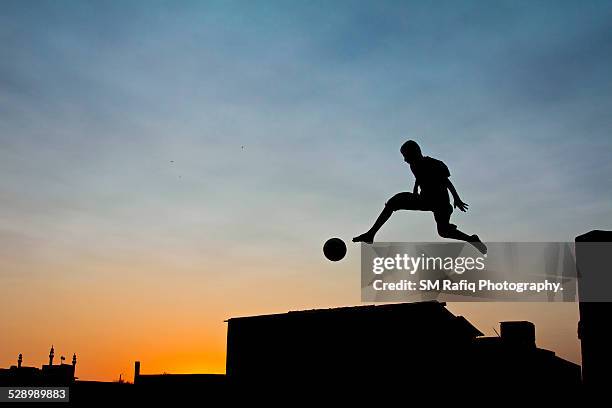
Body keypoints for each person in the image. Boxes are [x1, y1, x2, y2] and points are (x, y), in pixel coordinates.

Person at [353, 140, 487, 254]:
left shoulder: (434, 164)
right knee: (394, 202)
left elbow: (446, 182)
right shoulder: (413, 165)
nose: (404, 160)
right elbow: (419, 177)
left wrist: (457, 199)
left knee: (444, 232)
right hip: (425, 200)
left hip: (441, 204)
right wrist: (415, 189)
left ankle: (471, 239)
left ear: (415, 153)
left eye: (406, 156)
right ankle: (371, 234)